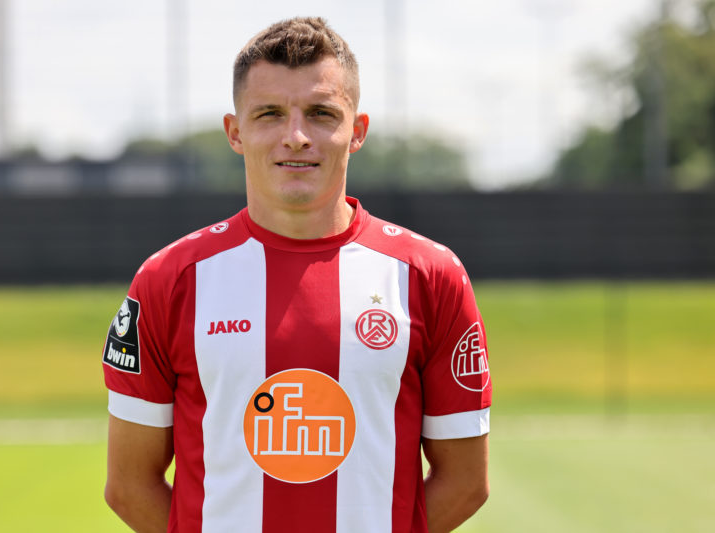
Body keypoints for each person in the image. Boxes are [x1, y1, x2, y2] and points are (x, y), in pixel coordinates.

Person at [102, 16, 491, 533]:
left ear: (357, 131)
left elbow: (466, 482)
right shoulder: (168, 279)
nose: (297, 136)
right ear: (235, 131)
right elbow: (130, 485)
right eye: (269, 114)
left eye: (321, 113)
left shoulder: (430, 275)